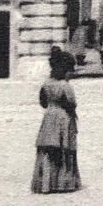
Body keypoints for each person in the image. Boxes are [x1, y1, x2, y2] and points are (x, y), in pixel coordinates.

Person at [32, 60, 82, 193]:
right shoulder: (66, 86)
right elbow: (71, 104)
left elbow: (42, 102)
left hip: (48, 117)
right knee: (64, 148)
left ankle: (45, 184)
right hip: (63, 118)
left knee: (48, 149)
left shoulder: (45, 84)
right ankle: (62, 183)